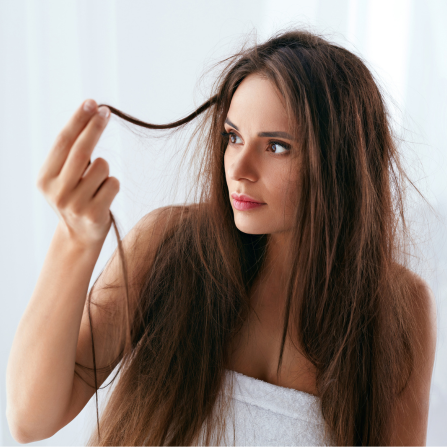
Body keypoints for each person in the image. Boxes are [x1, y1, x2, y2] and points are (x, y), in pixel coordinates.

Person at [6, 29, 437, 446]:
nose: (239, 168)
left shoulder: (396, 308)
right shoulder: (169, 246)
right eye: (233, 137)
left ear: (340, 162)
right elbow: (31, 421)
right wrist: (75, 240)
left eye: (276, 147)